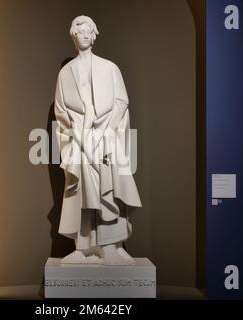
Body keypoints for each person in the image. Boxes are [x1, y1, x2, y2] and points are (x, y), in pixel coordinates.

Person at [54, 15, 142, 265]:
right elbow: (61, 110)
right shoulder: (65, 74)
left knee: (108, 189)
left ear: (94, 35)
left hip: (105, 137)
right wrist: (75, 133)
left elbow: (121, 101)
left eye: (87, 31)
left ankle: (111, 246)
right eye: (78, 31)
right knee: (81, 191)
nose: (83, 35)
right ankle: (84, 248)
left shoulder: (109, 67)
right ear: (73, 36)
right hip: (80, 140)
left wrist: (107, 130)